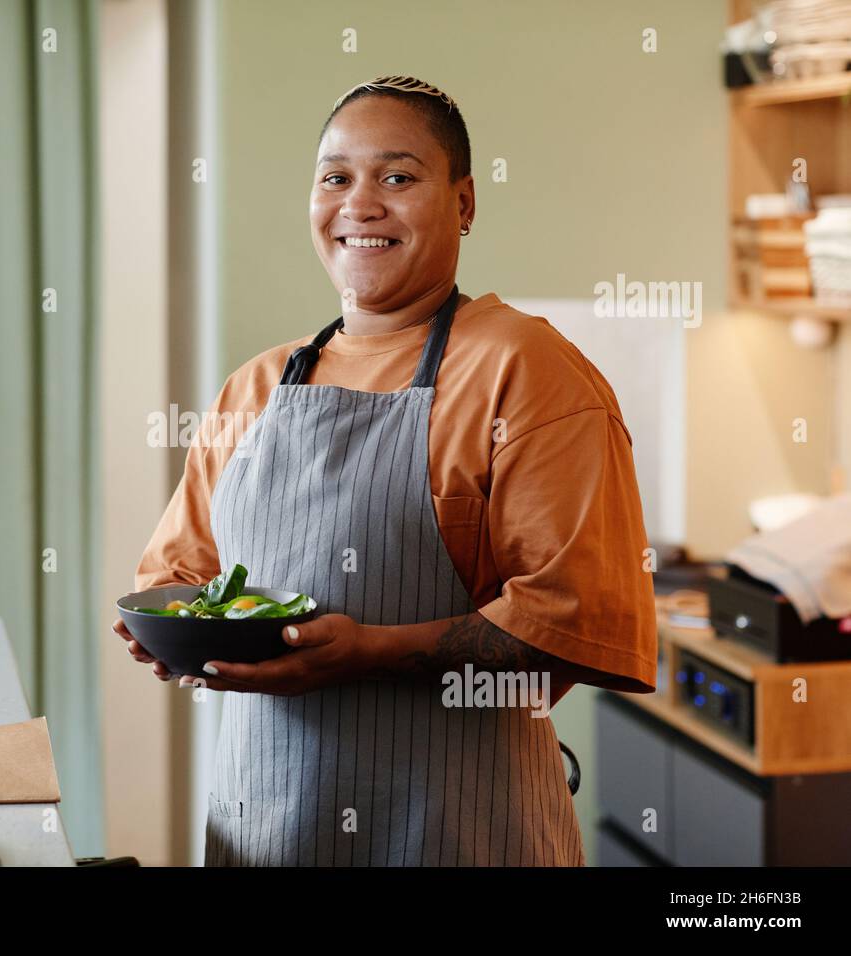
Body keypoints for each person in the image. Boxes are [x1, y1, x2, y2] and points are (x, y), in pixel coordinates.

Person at [114, 75, 657, 866]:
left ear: (464, 203)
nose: (360, 205)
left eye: (397, 177)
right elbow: (181, 579)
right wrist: (168, 637)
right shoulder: (257, 386)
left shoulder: (524, 368)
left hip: (462, 836)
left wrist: (369, 650)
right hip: (264, 832)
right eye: (337, 178)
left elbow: (571, 628)